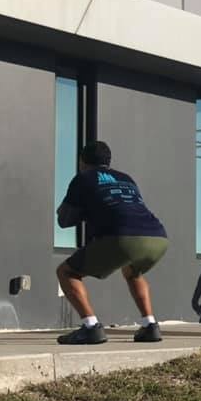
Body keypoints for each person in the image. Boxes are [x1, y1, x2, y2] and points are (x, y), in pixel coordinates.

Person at [55, 141, 169, 345]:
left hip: (121, 237)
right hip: (157, 237)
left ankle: (91, 327)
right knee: (133, 272)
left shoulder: (83, 178)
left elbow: (64, 220)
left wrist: (84, 211)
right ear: (109, 161)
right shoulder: (126, 178)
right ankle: (150, 325)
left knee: (66, 272)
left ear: (82, 161)